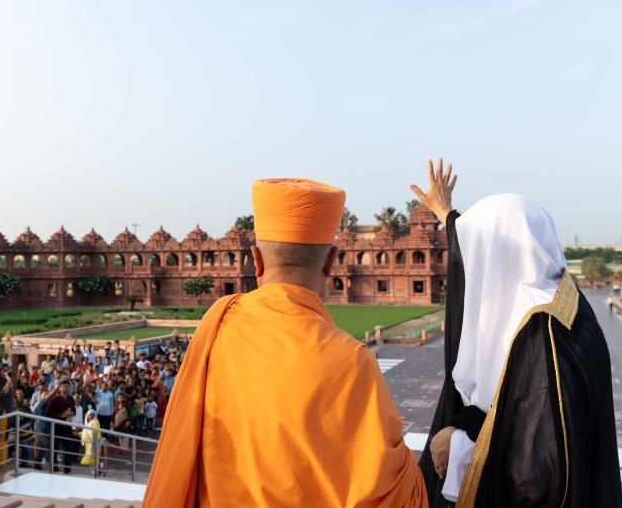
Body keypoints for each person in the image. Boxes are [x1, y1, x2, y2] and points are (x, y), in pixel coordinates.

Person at [144, 178, 426, 508]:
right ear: (331, 261)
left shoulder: (219, 325)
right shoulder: (351, 361)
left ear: (256, 260)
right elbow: (392, 493)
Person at [412, 159, 622, 507]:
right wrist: (445, 211)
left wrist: (460, 447)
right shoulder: (566, 298)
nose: (469, 265)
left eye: (474, 253)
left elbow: (536, 476)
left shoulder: (541, 334)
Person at [45, 380, 76, 473]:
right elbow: (47, 413)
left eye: (67, 386)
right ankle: (54, 467)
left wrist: (72, 413)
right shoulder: (55, 400)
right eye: (63, 386)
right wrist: (61, 415)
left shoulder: (71, 399)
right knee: (54, 448)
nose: (65, 388)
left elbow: (74, 411)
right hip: (56, 428)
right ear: (59, 388)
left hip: (67, 427)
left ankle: (67, 468)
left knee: (68, 448)